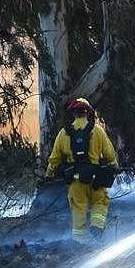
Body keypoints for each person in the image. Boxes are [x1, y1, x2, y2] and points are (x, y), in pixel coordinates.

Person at [45, 98, 118, 242]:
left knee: (78, 211)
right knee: (100, 202)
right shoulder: (97, 131)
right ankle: (96, 227)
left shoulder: (63, 133)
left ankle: (79, 244)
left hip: (75, 182)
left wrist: (49, 174)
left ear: (73, 114)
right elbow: (109, 153)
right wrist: (114, 166)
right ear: (88, 113)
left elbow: (54, 158)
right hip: (96, 179)